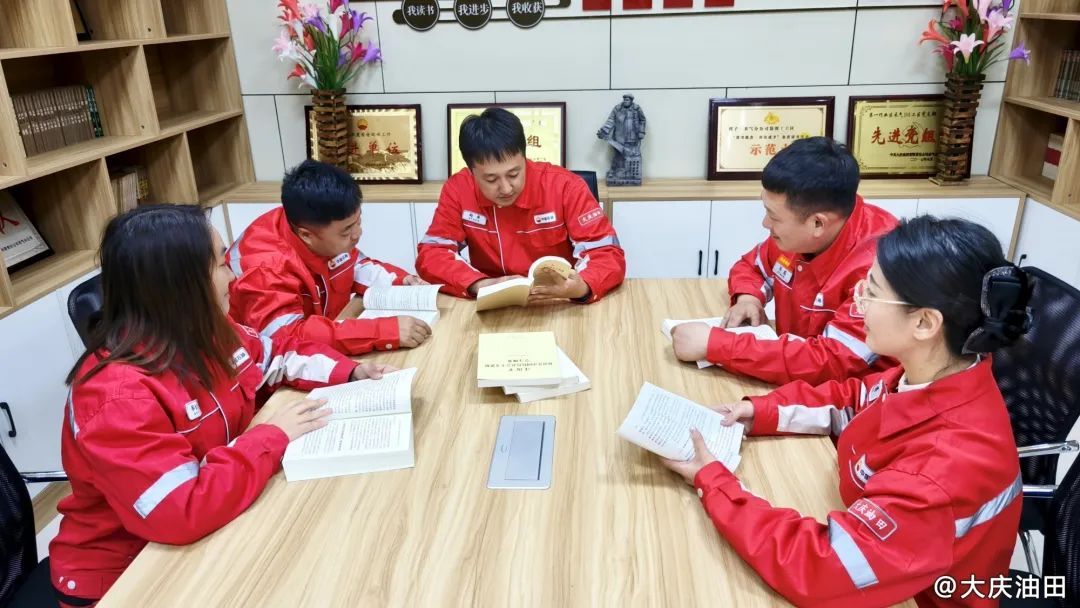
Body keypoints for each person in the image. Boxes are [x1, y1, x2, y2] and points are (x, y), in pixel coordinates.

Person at [661, 216, 1030, 608]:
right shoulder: (936, 375)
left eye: (872, 291)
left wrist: (717, 484)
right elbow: (854, 399)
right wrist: (761, 411)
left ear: (924, 322)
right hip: (878, 554)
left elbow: (820, 570)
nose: (857, 302)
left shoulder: (940, 471)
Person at [49, 205, 396, 606]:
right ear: (181, 284)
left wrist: (349, 372)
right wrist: (271, 437)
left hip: (209, 530)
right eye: (220, 264)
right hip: (128, 576)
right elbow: (180, 509)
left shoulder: (206, 329)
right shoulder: (116, 396)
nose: (233, 276)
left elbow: (277, 357)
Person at [671, 136, 899, 385]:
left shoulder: (881, 269)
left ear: (818, 223)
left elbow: (830, 361)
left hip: (855, 400)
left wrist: (715, 345)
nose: (765, 223)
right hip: (790, 384)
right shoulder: (800, 237)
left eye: (773, 216)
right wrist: (748, 299)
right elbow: (751, 266)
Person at [416, 107, 625, 304]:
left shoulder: (565, 187)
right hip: (493, 302)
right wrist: (479, 284)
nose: (506, 188)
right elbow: (432, 254)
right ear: (471, 172)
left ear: (524, 157)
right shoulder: (458, 189)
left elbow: (606, 253)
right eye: (491, 179)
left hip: (558, 301)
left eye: (514, 174)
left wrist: (582, 287)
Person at [227, 160, 431, 356]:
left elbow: (354, 265)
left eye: (358, 221)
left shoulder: (313, 222)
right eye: (346, 231)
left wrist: (401, 281)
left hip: (322, 351)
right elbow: (289, 338)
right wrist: (383, 331)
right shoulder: (265, 267)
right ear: (306, 235)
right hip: (267, 370)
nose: (358, 233)